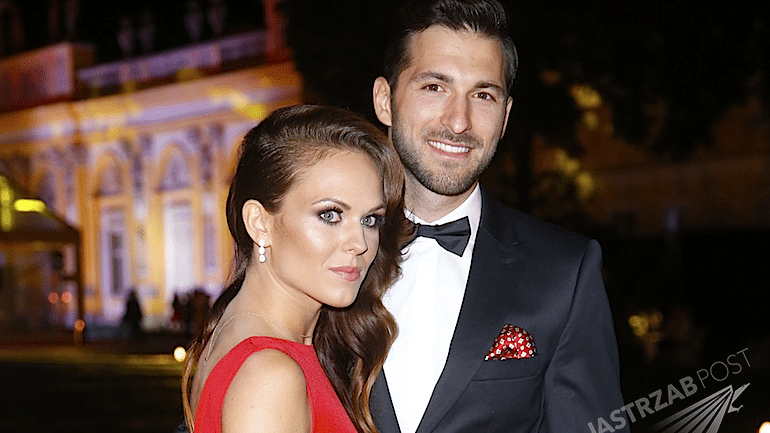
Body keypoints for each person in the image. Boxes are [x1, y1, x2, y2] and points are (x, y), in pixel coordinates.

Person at [370, 1, 627, 432]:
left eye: (483, 95)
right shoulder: (321, 252)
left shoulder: (564, 272)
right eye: (434, 87)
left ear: (505, 117)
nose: (458, 121)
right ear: (385, 100)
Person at [181, 105, 412, 433]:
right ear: (260, 223)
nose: (359, 243)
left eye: (370, 220)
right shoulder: (269, 374)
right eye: (330, 215)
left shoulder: (240, 333)